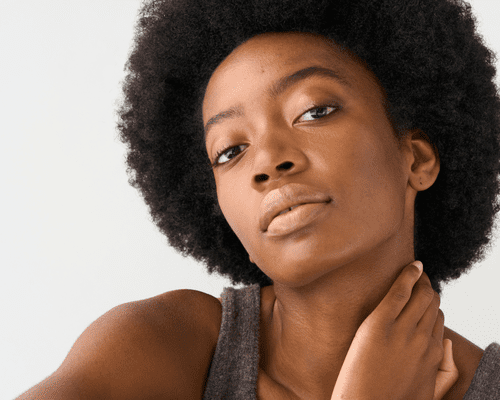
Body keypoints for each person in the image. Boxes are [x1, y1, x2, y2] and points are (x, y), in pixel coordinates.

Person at [15, 0, 500, 399]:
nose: (268, 162)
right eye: (230, 151)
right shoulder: (167, 348)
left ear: (416, 159)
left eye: (314, 111)